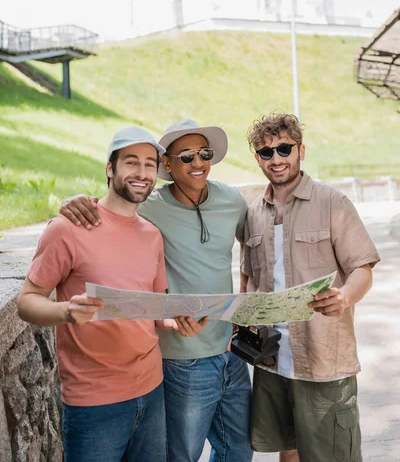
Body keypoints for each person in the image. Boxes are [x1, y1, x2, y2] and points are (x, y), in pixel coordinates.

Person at [59, 119, 254, 462]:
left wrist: (244, 300)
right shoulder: (150, 207)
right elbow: (110, 208)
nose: (198, 163)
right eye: (187, 156)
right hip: (182, 358)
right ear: (167, 164)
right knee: (182, 455)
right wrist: (70, 203)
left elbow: (253, 250)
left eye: (204, 154)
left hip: (231, 352)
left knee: (238, 450)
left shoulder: (233, 201)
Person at [17, 126, 193, 462]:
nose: (141, 173)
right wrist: (67, 311)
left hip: (151, 390)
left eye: (149, 164)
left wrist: (176, 321)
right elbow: (27, 302)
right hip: (93, 402)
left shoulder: (152, 235)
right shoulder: (68, 228)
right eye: (131, 162)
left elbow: (155, 310)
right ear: (110, 168)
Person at [241, 113, 380, 462]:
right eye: (266, 152)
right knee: (288, 449)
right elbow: (249, 279)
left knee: (332, 455)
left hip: (323, 360)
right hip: (271, 361)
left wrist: (345, 297)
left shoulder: (333, 203)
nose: (276, 159)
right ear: (257, 158)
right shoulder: (254, 214)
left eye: (284, 148)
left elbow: (362, 269)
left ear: (301, 150)